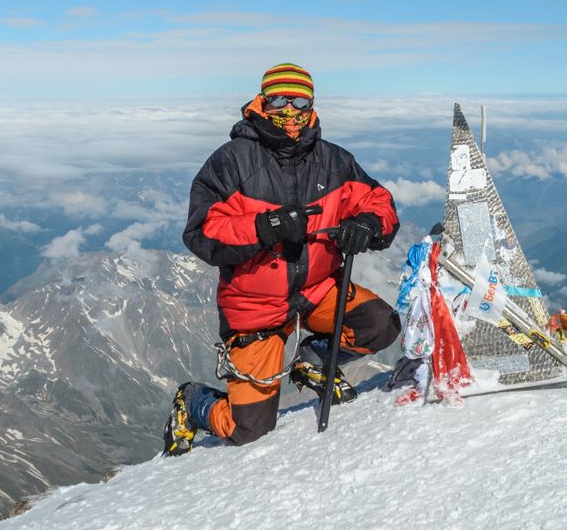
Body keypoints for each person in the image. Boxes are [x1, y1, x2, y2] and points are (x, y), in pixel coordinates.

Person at [165, 62, 401, 455]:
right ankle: (194, 403)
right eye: (278, 101)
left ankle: (312, 361)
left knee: (380, 325)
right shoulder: (231, 162)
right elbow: (202, 232)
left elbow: (380, 202)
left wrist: (369, 224)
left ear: (312, 103)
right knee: (249, 430)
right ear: (262, 102)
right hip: (255, 307)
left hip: (317, 290)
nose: (289, 111)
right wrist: (264, 227)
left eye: (299, 100)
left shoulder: (335, 161)